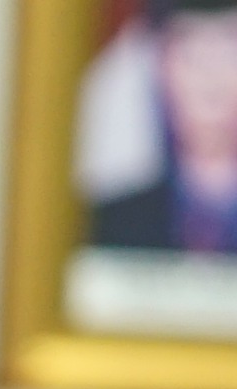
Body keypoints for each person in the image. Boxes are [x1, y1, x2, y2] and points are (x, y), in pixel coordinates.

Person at [92, 0, 237, 253]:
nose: (210, 74)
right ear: (161, 65)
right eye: (190, 51)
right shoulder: (112, 222)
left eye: (229, 48)